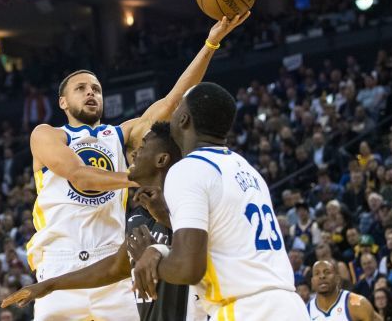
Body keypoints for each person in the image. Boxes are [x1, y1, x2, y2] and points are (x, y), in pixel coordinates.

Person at [23, 16, 248, 321]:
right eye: (81, 89)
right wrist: (138, 180)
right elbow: (79, 175)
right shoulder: (48, 134)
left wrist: (210, 43)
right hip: (60, 265)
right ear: (63, 101)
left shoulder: (119, 134)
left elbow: (172, 101)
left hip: (110, 268)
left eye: (96, 89)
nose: (91, 93)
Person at [131, 83, 309, 320]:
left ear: (184, 119)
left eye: (176, 109)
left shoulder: (188, 168)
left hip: (247, 310)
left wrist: (151, 255)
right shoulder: (246, 169)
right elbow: (226, 241)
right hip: (288, 305)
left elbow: (188, 269)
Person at [1, 122, 206, 320]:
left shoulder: (188, 200)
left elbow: (208, 252)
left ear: (161, 160)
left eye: (142, 148)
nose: (133, 154)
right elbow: (115, 268)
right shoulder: (138, 219)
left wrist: (157, 248)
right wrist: (49, 285)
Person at [308, 260, 382, 321]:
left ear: (337, 279)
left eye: (327, 272)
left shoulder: (358, 304)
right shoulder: (306, 312)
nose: (322, 276)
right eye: (317, 273)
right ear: (312, 281)